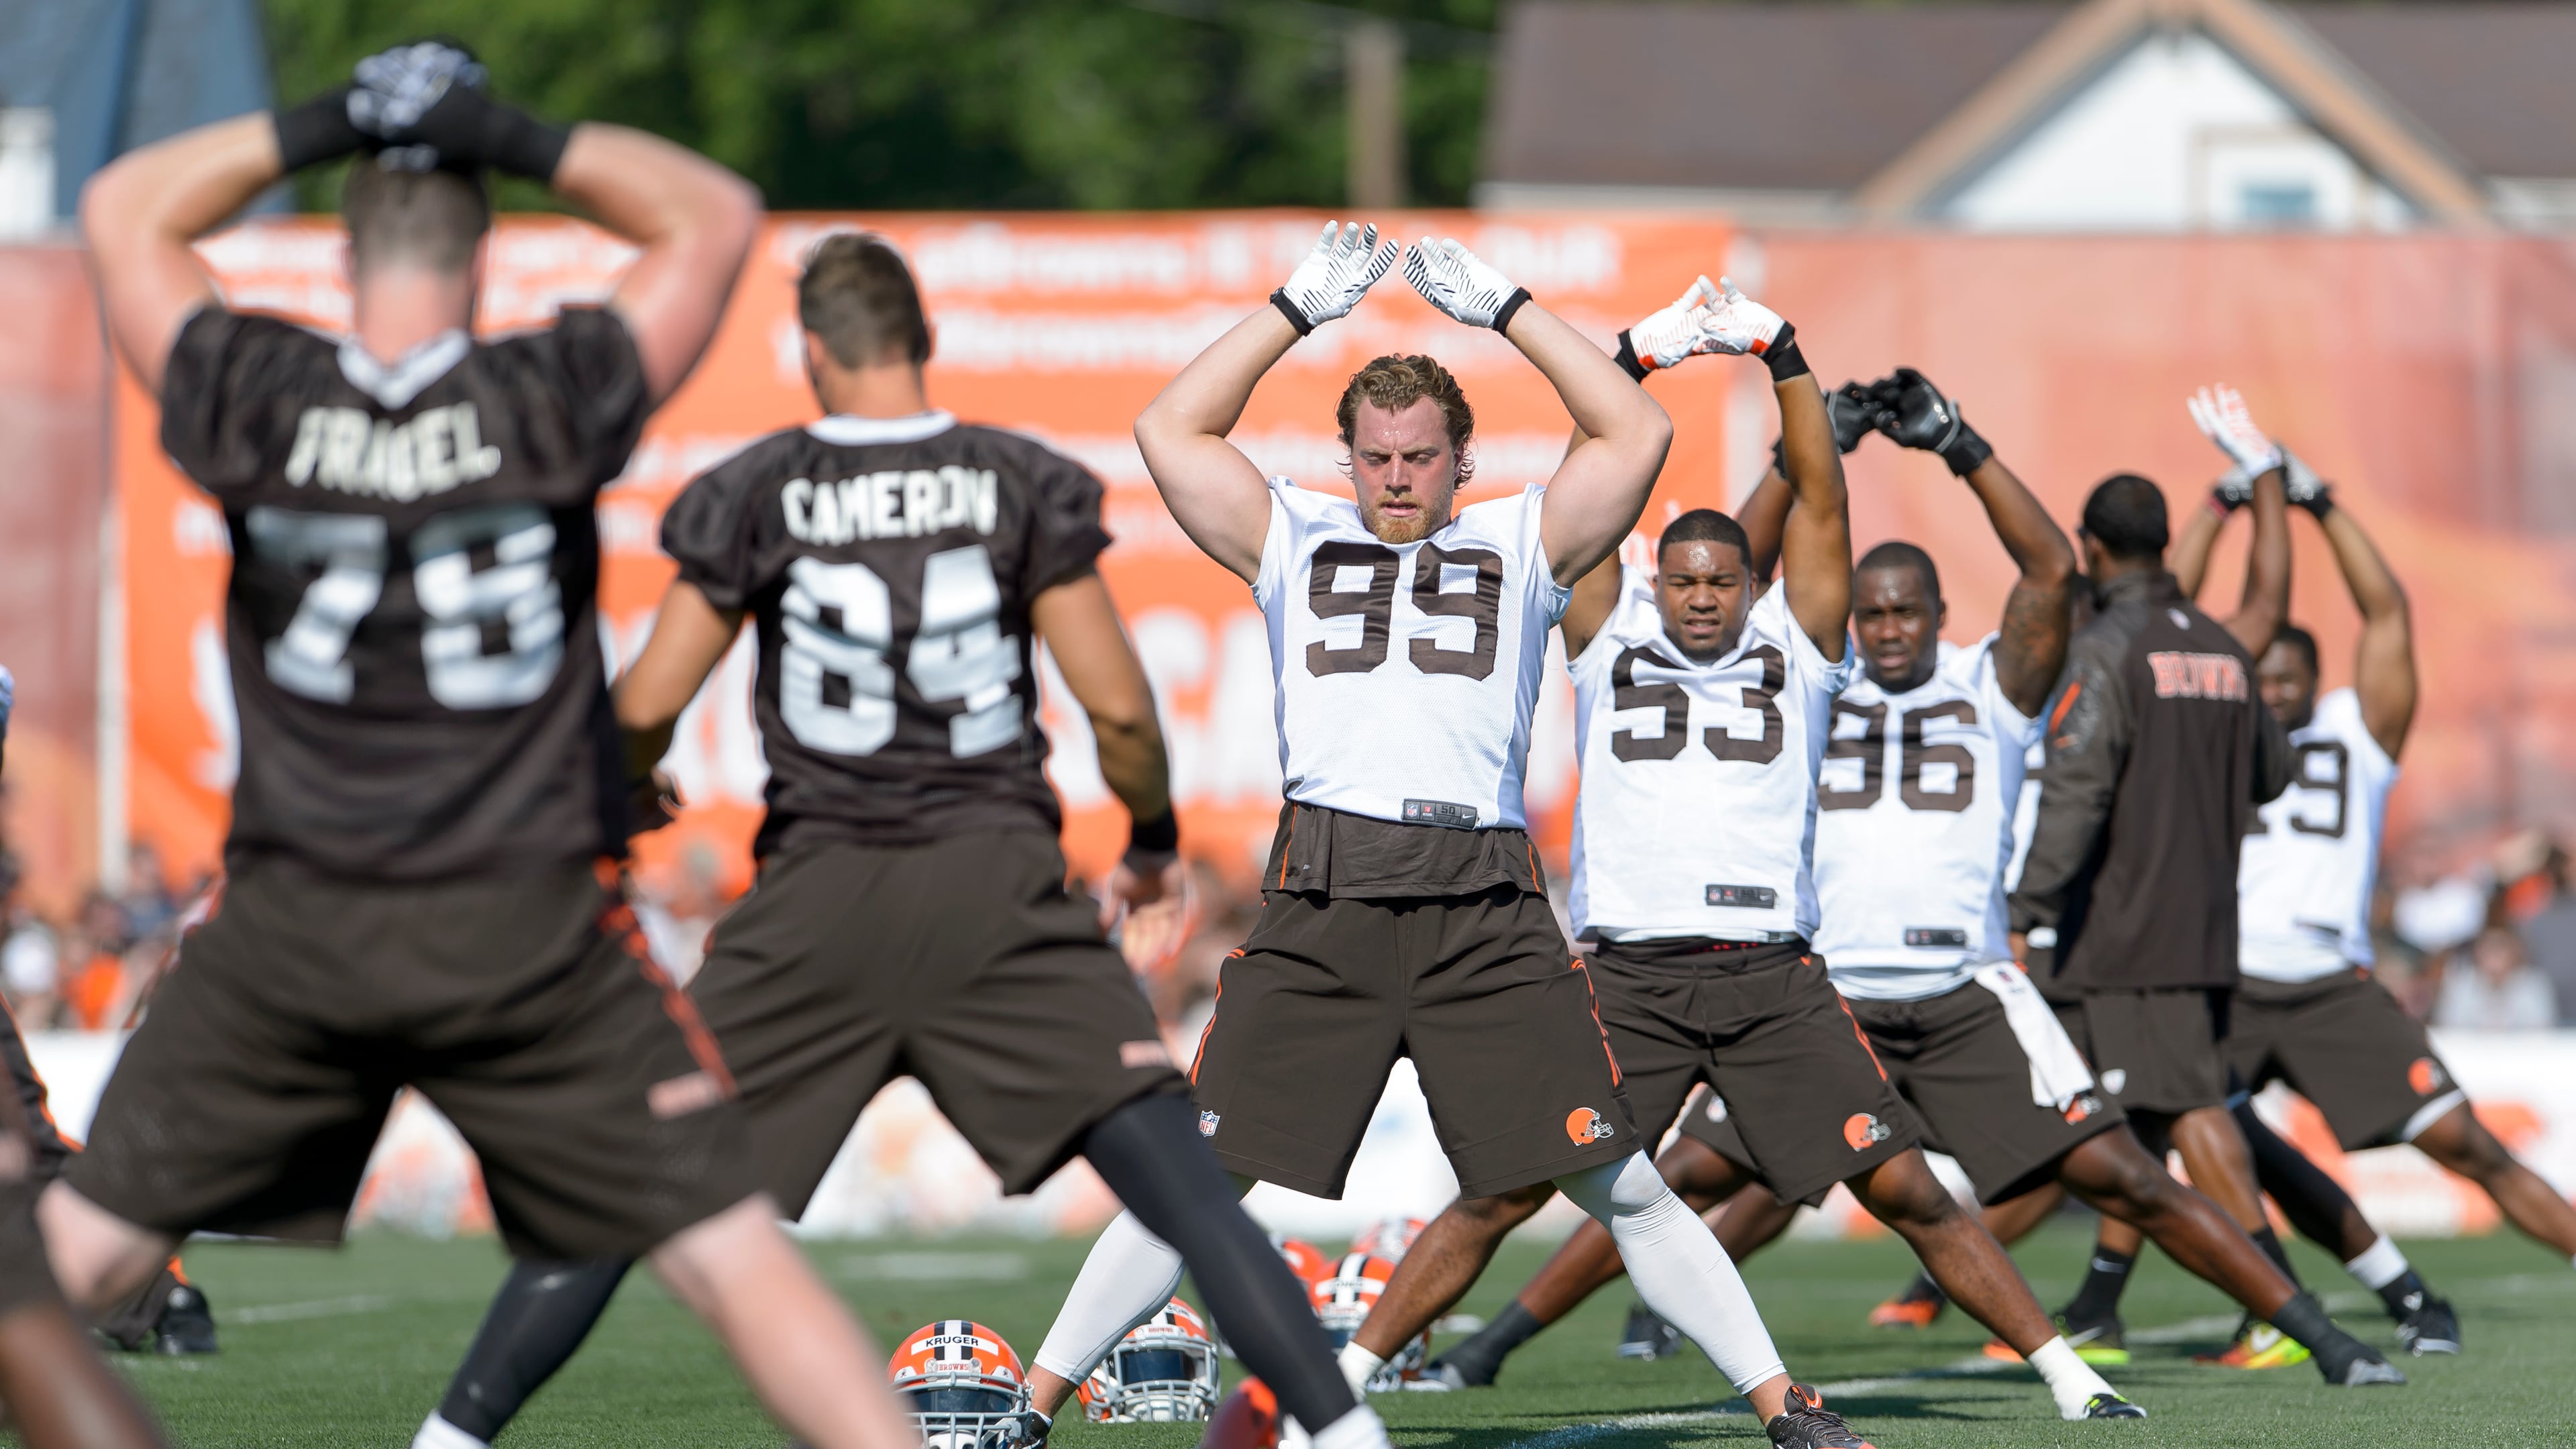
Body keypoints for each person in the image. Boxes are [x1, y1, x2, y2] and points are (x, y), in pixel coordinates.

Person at [56, 44, 918, 1448]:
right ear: (483, 251)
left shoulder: (263, 391)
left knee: (83, 1255)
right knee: (732, 1259)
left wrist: (338, 115)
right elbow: (711, 209)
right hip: (527, 922)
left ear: (341, 256)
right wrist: (496, 127)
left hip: (297, 916)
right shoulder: (545, 390)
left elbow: (122, 210)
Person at [409, 230, 1379, 1449]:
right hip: (997, 890)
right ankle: (1352, 1439)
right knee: (1187, 1193)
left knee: (628, 1183)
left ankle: (447, 1441)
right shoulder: (1017, 476)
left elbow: (645, 705)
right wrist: (1144, 844)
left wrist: (629, 787)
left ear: (813, 351)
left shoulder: (754, 487)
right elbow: (1120, 707)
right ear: (922, 339)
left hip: (815, 897)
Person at [1023, 229, 1874, 1449]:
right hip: (1327, 894)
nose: (1398, 479)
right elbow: (1169, 431)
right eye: (1376, 458)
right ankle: (1031, 1407)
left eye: (1423, 457)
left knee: (1620, 1176)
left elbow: (1636, 437)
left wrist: (1511, 310)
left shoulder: (1523, 538)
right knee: (1197, 1173)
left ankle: (1785, 1406)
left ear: (1463, 459)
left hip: (1484, 903)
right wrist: (1292, 311)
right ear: (1347, 459)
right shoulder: (1294, 534)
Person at [1436, 368, 2390, 1393]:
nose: (1886, 631)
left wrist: (1959, 445)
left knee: (2118, 1173)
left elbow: (2048, 573)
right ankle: (1493, 1347)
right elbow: (1729, 569)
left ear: (1940, 614)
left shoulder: (1993, 680)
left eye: (1906, 613)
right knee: (1686, 1174)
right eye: (1873, 614)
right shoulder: (1799, 668)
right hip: (1828, 988)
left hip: (1963, 993)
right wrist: (1793, 461)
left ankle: (2324, 1337)